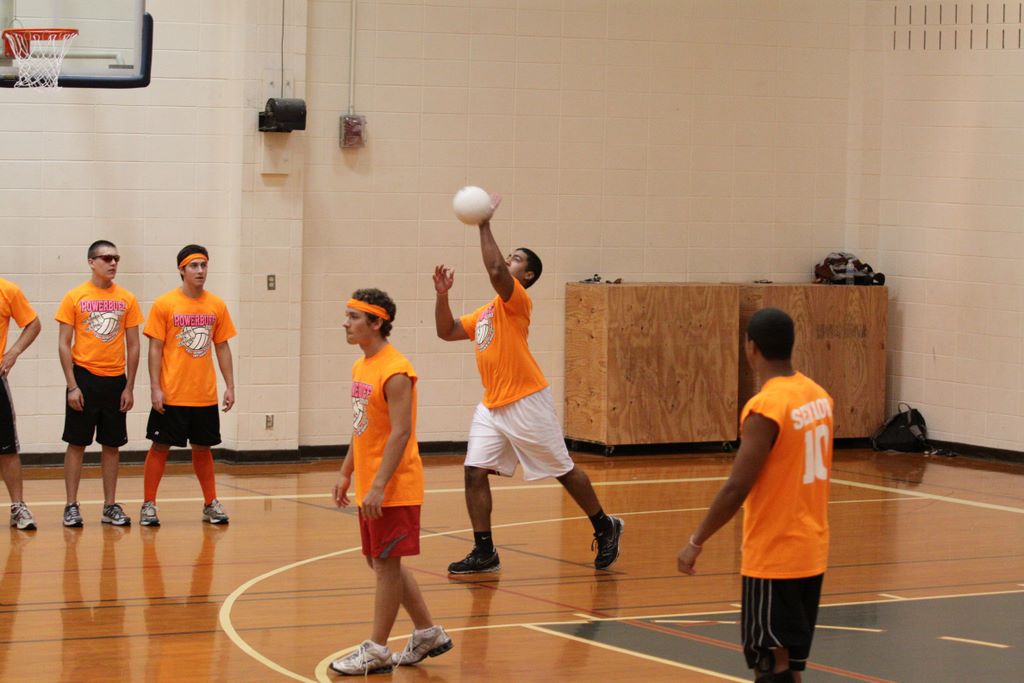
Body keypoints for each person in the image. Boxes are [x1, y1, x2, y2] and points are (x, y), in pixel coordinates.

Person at [433, 196, 623, 574]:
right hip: (493, 405)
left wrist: (484, 223)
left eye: (516, 259)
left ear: (527, 276)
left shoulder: (516, 301)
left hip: (526, 399)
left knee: (562, 469)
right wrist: (443, 295)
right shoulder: (486, 312)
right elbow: (446, 330)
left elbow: (495, 271)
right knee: (473, 471)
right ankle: (484, 550)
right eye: (510, 256)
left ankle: (605, 525)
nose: (508, 260)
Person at [677, 308, 834, 683]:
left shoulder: (766, 408)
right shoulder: (819, 397)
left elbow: (737, 486)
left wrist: (696, 541)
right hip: (811, 551)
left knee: (770, 664)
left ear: (751, 348)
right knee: (788, 664)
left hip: (774, 553)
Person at [329, 289, 452, 676]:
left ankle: (377, 649)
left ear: (377, 322)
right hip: (370, 481)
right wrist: (346, 472)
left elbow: (401, 433)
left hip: (395, 486)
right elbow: (361, 426)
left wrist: (380, 485)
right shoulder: (360, 366)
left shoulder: (397, 371)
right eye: (347, 316)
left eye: (353, 317)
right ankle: (427, 633)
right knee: (381, 561)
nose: (345, 323)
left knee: (385, 565)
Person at [140, 245, 236, 526]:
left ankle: (210, 503)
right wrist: (155, 387)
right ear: (181, 270)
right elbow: (155, 349)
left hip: (203, 394)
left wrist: (230, 385)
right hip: (172, 393)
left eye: (204, 265)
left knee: (203, 448)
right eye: (194, 265)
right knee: (160, 446)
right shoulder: (165, 304)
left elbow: (222, 347)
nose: (200, 270)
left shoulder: (216, 305)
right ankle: (148, 504)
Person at [56, 240, 142, 527]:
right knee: (77, 443)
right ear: (91, 262)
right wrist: (72, 385)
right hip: (84, 378)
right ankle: (71, 505)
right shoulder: (75, 297)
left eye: (116, 258)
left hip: (115, 381)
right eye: (106, 258)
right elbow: (64, 343)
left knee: (112, 445)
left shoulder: (127, 298)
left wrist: (129, 386)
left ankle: (109, 506)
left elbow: (134, 344)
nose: (113, 263)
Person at [0, 277, 41, 530]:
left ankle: (17, 506)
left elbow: (33, 324)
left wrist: (13, 352)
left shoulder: (7, 290)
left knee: (6, 447)